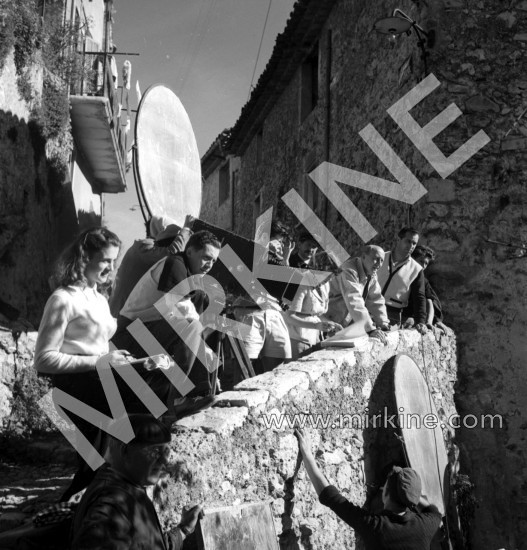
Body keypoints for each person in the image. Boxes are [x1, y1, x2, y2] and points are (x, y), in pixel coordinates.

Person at [34, 227, 142, 500]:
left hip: (100, 381)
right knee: (95, 467)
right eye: (106, 260)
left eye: (115, 261)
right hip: (74, 390)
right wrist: (101, 361)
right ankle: (73, 518)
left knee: (98, 466)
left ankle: (85, 512)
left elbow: (98, 347)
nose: (111, 267)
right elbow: (43, 359)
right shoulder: (62, 299)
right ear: (85, 258)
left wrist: (123, 360)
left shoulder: (99, 299)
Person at [112, 230, 221, 402]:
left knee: (197, 331)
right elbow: (180, 310)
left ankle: (199, 393)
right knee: (192, 327)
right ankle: (178, 399)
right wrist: (205, 353)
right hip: (128, 335)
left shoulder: (193, 280)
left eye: (214, 260)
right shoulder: (174, 263)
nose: (210, 264)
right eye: (206, 257)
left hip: (147, 332)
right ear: (190, 251)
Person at [71, 414, 203, 550]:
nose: (164, 460)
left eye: (166, 452)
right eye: (156, 451)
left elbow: (146, 544)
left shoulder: (128, 488)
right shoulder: (113, 506)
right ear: (125, 451)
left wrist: (183, 530)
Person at [295, 428, 442, 549]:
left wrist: (307, 453)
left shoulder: (376, 527)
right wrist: (410, 493)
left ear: (386, 494)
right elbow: (434, 511)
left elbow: (330, 496)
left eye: (384, 486)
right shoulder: (425, 527)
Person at [233, 221, 294, 373]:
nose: (279, 245)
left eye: (281, 242)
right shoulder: (249, 252)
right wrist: (264, 249)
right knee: (245, 366)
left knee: (280, 364)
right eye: (277, 241)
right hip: (250, 313)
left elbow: (284, 288)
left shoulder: (277, 260)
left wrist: (285, 260)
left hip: (274, 313)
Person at [109, 215, 194, 317]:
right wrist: (186, 229)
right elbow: (172, 253)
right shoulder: (143, 247)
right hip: (122, 316)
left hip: (130, 315)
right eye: (176, 239)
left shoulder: (149, 255)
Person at [284, 231, 341, 358]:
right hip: (296, 335)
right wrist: (316, 325)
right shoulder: (296, 274)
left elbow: (318, 312)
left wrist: (330, 324)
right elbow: (289, 314)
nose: (311, 249)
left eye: (314, 246)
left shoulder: (321, 279)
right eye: (308, 244)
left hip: (314, 336)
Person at [326, 245, 391, 344]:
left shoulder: (371, 274)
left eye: (382, 261)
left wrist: (383, 324)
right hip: (328, 322)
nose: (379, 264)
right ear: (363, 257)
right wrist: (370, 329)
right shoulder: (349, 271)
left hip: (344, 325)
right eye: (376, 259)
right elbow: (354, 299)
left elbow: (375, 299)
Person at [376, 227, 428, 334]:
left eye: (414, 243)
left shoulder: (416, 269)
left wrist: (421, 321)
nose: (411, 246)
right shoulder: (380, 258)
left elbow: (419, 297)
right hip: (369, 308)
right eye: (408, 241)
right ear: (398, 240)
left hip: (392, 314)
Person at [406, 245, 448, 333]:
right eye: (421, 261)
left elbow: (429, 301)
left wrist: (429, 322)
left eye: (426, 263)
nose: (423, 266)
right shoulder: (402, 274)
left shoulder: (424, 281)